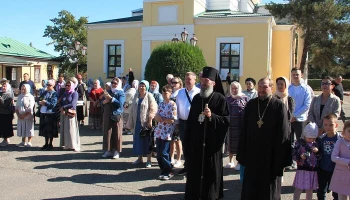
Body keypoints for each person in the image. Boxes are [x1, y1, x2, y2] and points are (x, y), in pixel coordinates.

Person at [237, 77, 290, 200]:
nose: (261, 90)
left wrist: (281, 159)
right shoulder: (251, 104)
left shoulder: (279, 106)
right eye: (259, 87)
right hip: (252, 155)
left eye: (265, 87)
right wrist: (242, 152)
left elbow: (284, 133)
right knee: (251, 189)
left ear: (271, 88)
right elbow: (244, 130)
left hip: (270, 156)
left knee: (268, 191)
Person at [184, 67, 229, 200]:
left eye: (207, 80)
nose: (203, 83)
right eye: (202, 80)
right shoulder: (197, 98)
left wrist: (212, 116)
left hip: (212, 146)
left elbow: (226, 121)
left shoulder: (220, 99)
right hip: (196, 145)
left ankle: (211, 196)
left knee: (211, 174)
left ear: (214, 83)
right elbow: (191, 121)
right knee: (195, 173)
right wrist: (187, 141)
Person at [127, 80, 157, 168]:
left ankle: (149, 160)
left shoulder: (149, 96)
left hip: (146, 122)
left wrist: (150, 119)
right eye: (140, 85)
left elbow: (153, 108)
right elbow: (132, 108)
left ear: (146, 87)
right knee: (138, 140)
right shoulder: (136, 95)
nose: (141, 87)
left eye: (143, 86)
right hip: (137, 122)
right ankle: (139, 158)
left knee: (147, 141)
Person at [175, 72, 200, 175]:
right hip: (182, 122)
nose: (187, 81)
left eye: (190, 79)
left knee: (194, 145)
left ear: (195, 80)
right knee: (185, 145)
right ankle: (187, 166)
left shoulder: (199, 92)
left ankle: (195, 166)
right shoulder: (180, 92)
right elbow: (176, 107)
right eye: (186, 79)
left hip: (194, 123)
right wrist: (176, 122)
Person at [154, 85, 177, 180]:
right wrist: (157, 118)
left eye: (166, 93)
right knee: (158, 154)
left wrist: (162, 119)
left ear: (170, 93)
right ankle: (163, 170)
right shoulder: (161, 104)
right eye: (163, 93)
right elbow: (156, 116)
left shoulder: (173, 105)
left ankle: (169, 171)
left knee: (164, 152)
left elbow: (172, 120)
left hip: (167, 133)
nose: (164, 94)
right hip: (159, 131)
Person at [292, 122, 319, 200]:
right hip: (302, 169)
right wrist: (300, 157)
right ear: (305, 135)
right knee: (298, 188)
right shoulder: (299, 143)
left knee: (309, 189)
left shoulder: (316, 143)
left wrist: (317, 151)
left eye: (313, 138)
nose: (311, 140)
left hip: (312, 170)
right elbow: (294, 154)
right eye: (309, 138)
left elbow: (320, 156)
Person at [317, 113, 341, 200]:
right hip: (323, 168)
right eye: (325, 125)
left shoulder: (340, 139)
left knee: (336, 192)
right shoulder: (321, 139)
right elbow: (318, 152)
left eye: (331, 125)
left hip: (336, 169)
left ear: (336, 125)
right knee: (321, 190)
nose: (328, 127)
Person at [224, 81, 248, 171]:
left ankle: (239, 162)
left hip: (240, 125)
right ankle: (230, 161)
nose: (234, 90)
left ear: (239, 88)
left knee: (239, 144)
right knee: (230, 143)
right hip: (230, 125)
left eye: (236, 88)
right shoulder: (228, 98)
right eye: (232, 88)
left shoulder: (245, 98)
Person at [101, 78, 125, 159]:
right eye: (112, 83)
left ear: (119, 84)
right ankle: (109, 150)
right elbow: (103, 102)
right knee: (108, 133)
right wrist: (104, 102)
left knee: (116, 133)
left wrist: (111, 99)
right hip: (108, 114)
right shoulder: (109, 91)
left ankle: (116, 151)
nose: (113, 84)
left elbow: (120, 104)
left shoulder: (121, 93)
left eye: (115, 83)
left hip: (116, 115)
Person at [275, 77, 295, 171]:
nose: (279, 86)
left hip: (286, 128)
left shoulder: (290, 99)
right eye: (278, 84)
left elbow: (290, 114)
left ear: (286, 85)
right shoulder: (273, 98)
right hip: (274, 128)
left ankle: (282, 170)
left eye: (282, 84)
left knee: (284, 149)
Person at [288, 68, 312, 147]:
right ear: (291, 75)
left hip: (300, 119)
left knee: (301, 142)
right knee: (288, 141)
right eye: (293, 74)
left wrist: (294, 115)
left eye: (297, 74)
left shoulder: (306, 89)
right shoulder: (288, 88)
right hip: (288, 120)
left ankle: (300, 159)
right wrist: (290, 116)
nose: (295, 76)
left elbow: (307, 105)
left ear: (301, 75)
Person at [329, 121, 350, 199]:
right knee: (341, 197)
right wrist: (347, 162)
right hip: (341, 175)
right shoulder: (340, 142)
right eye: (349, 131)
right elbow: (334, 157)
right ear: (344, 131)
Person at [59, 80, 80, 152]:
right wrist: (62, 108)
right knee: (65, 130)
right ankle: (67, 145)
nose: (67, 87)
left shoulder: (75, 93)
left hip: (70, 113)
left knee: (71, 129)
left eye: (69, 85)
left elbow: (73, 104)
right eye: (66, 85)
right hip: (64, 113)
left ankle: (74, 145)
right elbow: (61, 102)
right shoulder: (64, 93)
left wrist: (64, 107)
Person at [38, 79, 58, 150]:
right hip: (43, 112)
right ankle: (46, 143)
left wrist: (45, 103)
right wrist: (40, 101)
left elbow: (53, 104)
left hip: (50, 113)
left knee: (50, 130)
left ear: (53, 86)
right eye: (47, 85)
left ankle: (50, 144)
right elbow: (39, 98)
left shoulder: (55, 93)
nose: (48, 86)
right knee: (45, 130)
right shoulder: (45, 92)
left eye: (49, 85)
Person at [169, 77, 183, 165]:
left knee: (177, 140)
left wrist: (177, 120)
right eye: (172, 82)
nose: (173, 84)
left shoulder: (181, 93)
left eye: (175, 82)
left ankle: (179, 159)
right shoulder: (172, 93)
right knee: (171, 140)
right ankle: (171, 158)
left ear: (180, 84)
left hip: (177, 120)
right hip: (170, 120)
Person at [0, 82, 14, 146]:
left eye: (5, 86)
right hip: (1, 113)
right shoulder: (2, 94)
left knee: (5, 127)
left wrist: (0, 99)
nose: (3, 87)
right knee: (2, 127)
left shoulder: (9, 95)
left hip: (6, 114)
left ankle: (6, 140)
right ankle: (5, 139)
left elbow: (5, 105)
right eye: (2, 86)